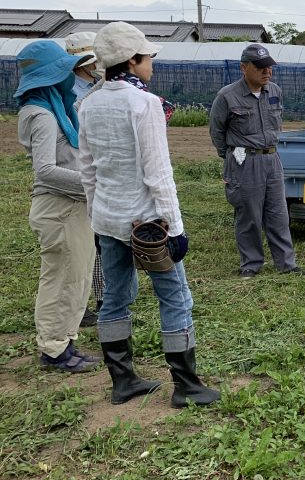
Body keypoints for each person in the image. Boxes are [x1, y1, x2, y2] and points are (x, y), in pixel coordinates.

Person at [79, 21, 219, 408]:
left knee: (115, 298)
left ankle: (123, 380)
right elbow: (158, 172)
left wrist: (95, 218)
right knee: (175, 297)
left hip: (108, 219)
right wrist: (174, 227)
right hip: (148, 225)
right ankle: (186, 384)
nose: (151, 64)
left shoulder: (88, 103)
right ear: (132, 60)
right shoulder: (145, 104)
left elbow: (87, 170)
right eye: (147, 58)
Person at [16, 40, 100, 373]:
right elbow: (45, 170)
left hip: (71, 207)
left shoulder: (55, 107)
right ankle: (53, 350)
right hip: (59, 208)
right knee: (62, 278)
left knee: (77, 277)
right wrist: (93, 185)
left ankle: (65, 341)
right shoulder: (41, 114)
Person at [209, 44, 305, 278]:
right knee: (249, 215)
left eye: (269, 67)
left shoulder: (274, 91)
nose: (267, 72)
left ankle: (287, 264)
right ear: (244, 68)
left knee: (278, 214)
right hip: (245, 161)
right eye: (260, 67)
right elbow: (217, 132)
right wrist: (233, 157)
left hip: (272, 159)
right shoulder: (227, 96)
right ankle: (251, 264)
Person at [63, 31, 103, 327]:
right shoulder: (72, 94)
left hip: (93, 166)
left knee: (97, 238)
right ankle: (81, 302)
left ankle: (101, 295)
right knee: (83, 240)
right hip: (79, 168)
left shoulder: (88, 88)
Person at [64, 32, 102, 101]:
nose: (102, 64)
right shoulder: (70, 91)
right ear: (83, 62)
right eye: (96, 61)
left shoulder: (104, 82)